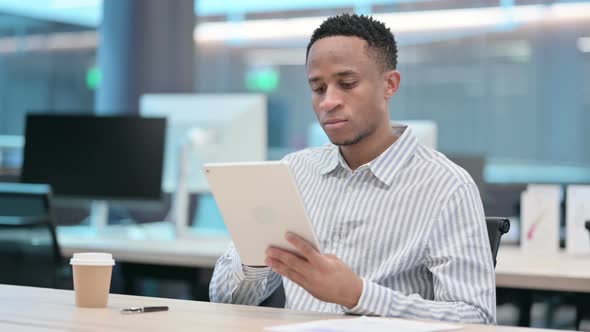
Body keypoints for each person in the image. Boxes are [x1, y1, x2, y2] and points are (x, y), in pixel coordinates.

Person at [209, 13, 495, 324]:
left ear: (390, 84)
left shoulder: (447, 187)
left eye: (346, 84)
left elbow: (476, 319)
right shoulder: (293, 171)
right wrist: (256, 256)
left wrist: (359, 295)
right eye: (318, 88)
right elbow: (226, 301)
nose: (328, 101)